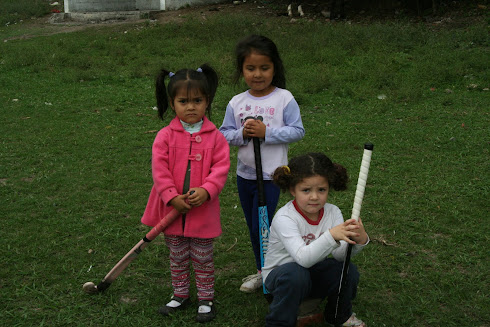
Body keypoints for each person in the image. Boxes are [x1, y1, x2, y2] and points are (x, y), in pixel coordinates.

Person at [141, 64, 230, 323]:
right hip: (171, 210)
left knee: (202, 256)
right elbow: (159, 171)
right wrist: (170, 196)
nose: (190, 107)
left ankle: (206, 297)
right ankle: (180, 294)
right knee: (177, 255)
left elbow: (221, 169)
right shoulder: (165, 136)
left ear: (207, 101)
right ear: (172, 103)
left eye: (197, 101)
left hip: (202, 211)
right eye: (183, 101)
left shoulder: (216, 138)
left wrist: (207, 190)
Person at [219, 34, 305, 293]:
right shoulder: (237, 102)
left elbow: (297, 131)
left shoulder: (284, 98)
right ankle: (262, 271)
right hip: (244, 176)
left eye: (264, 68)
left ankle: (273, 271)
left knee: (264, 225)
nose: (258, 74)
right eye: (251, 68)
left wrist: (267, 133)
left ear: (274, 68)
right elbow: (223, 134)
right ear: (242, 70)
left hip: (273, 176)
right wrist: (242, 134)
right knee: (253, 226)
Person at [262, 152, 368, 327]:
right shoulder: (285, 218)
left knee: (347, 270)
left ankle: (338, 315)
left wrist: (358, 240)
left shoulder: (333, 212)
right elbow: (303, 259)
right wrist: (331, 235)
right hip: (282, 278)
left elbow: (341, 255)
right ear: (292, 190)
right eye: (306, 190)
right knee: (296, 274)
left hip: (312, 272)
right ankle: (278, 323)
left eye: (321, 190)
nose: (314, 197)